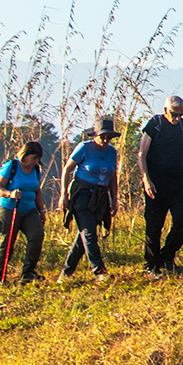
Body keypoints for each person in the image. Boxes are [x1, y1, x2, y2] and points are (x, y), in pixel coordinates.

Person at [58, 116, 121, 281]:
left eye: (109, 137)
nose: (105, 140)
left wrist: (114, 199)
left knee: (84, 236)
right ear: (95, 135)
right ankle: (99, 271)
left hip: (100, 196)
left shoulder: (112, 152)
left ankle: (66, 273)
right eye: (102, 136)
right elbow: (67, 169)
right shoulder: (84, 148)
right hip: (82, 194)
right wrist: (63, 194)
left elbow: (112, 176)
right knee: (89, 233)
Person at [139, 97, 183, 276]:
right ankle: (152, 264)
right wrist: (146, 180)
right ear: (165, 110)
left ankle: (168, 256)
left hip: (176, 182)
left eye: (180, 115)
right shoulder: (155, 124)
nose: (176, 118)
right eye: (173, 114)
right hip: (156, 182)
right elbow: (142, 153)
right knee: (154, 224)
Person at [0, 141, 47, 283]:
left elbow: (37, 191)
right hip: (8, 208)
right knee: (7, 241)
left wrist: (42, 210)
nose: (36, 162)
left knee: (37, 235)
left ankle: (28, 272)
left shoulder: (36, 170)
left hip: (29, 209)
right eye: (33, 158)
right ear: (25, 155)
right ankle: (0, 275)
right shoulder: (11, 166)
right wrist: (9, 194)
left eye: (38, 159)